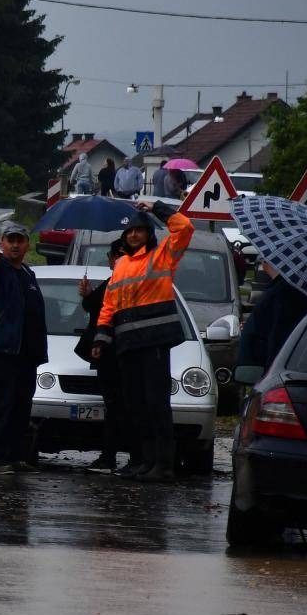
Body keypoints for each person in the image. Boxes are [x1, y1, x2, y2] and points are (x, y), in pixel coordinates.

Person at [91, 201, 193, 482]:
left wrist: (156, 207)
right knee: (136, 405)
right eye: (130, 232)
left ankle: (163, 464)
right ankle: (146, 462)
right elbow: (109, 304)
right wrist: (101, 338)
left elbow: (184, 228)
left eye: (139, 230)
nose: (134, 235)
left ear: (149, 233)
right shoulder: (122, 264)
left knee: (156, 404)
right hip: (127, 345)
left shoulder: (162, 256)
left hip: (154, 343)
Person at [0, 220, 49, 474]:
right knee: (2, 404)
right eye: (10, 241)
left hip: (25, 353)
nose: (15, 245)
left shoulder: (28, 273)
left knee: (21, 406)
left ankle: (16, 456)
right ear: (3, 243)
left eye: (20, 241)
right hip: (0, 348)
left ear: (28, 245)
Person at [77, 240, 132, 471]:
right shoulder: (111, 283)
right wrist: (88, 294)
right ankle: (111, 456)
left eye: (123, 255)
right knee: (114, 407)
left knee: (123, 408)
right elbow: (96, 306)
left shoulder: (125, 283)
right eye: (115, 256)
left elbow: (103, 310)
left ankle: (123, 457)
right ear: (110, 259)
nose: (118, 260)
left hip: (120, 356)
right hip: (106, 355)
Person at [238, 259, 307, 375]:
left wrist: (271, 372)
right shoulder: (278, 287)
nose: (260, 259)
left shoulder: (284, 292)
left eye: (263, 257)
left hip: (263, 369)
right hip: (258, 366)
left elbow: (278, 334)